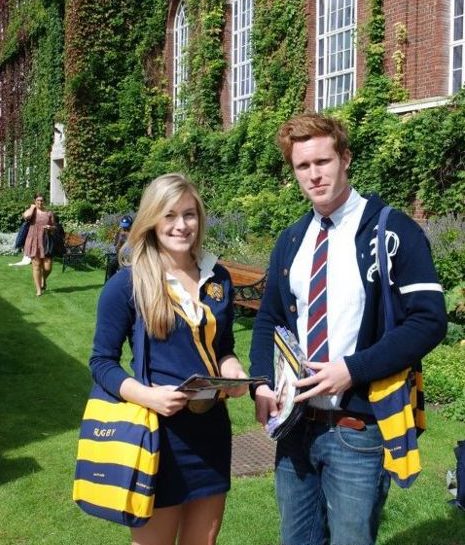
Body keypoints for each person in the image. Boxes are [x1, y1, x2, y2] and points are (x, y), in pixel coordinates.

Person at [249, 112, 447, 545]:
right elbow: (269, 320)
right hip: (295, 428)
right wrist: (263, 383)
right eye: (303, 166)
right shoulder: (292, 239)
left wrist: (353, 369)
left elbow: (429, 319)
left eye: (324, 161)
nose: (315, 175)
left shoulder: (392, 230)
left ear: (346, 159)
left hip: (357, 430)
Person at [90, 173, 248, 545]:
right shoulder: (128, 284)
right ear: (152, 220)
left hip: (211, 433)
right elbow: (101, 363)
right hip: (156, 437)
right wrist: (147, 396)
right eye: (170, 215)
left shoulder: (217, 277)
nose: (181, 225)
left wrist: (233, 370)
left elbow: (222, 346)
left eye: (190, 214)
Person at [22, 193, 55, 296]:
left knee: (47, 267)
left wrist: (50, 228)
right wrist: (32, 207)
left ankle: (43, 279)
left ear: (44, 201)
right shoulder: (32, 211)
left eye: (41, 200)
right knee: (36, 265)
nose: (40, 202)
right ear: (35, 201)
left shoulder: (49, 213)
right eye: (38, 200)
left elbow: (55, 226)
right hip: (34, 240)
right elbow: (25, 216)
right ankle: (38, 289)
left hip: (46, 240)